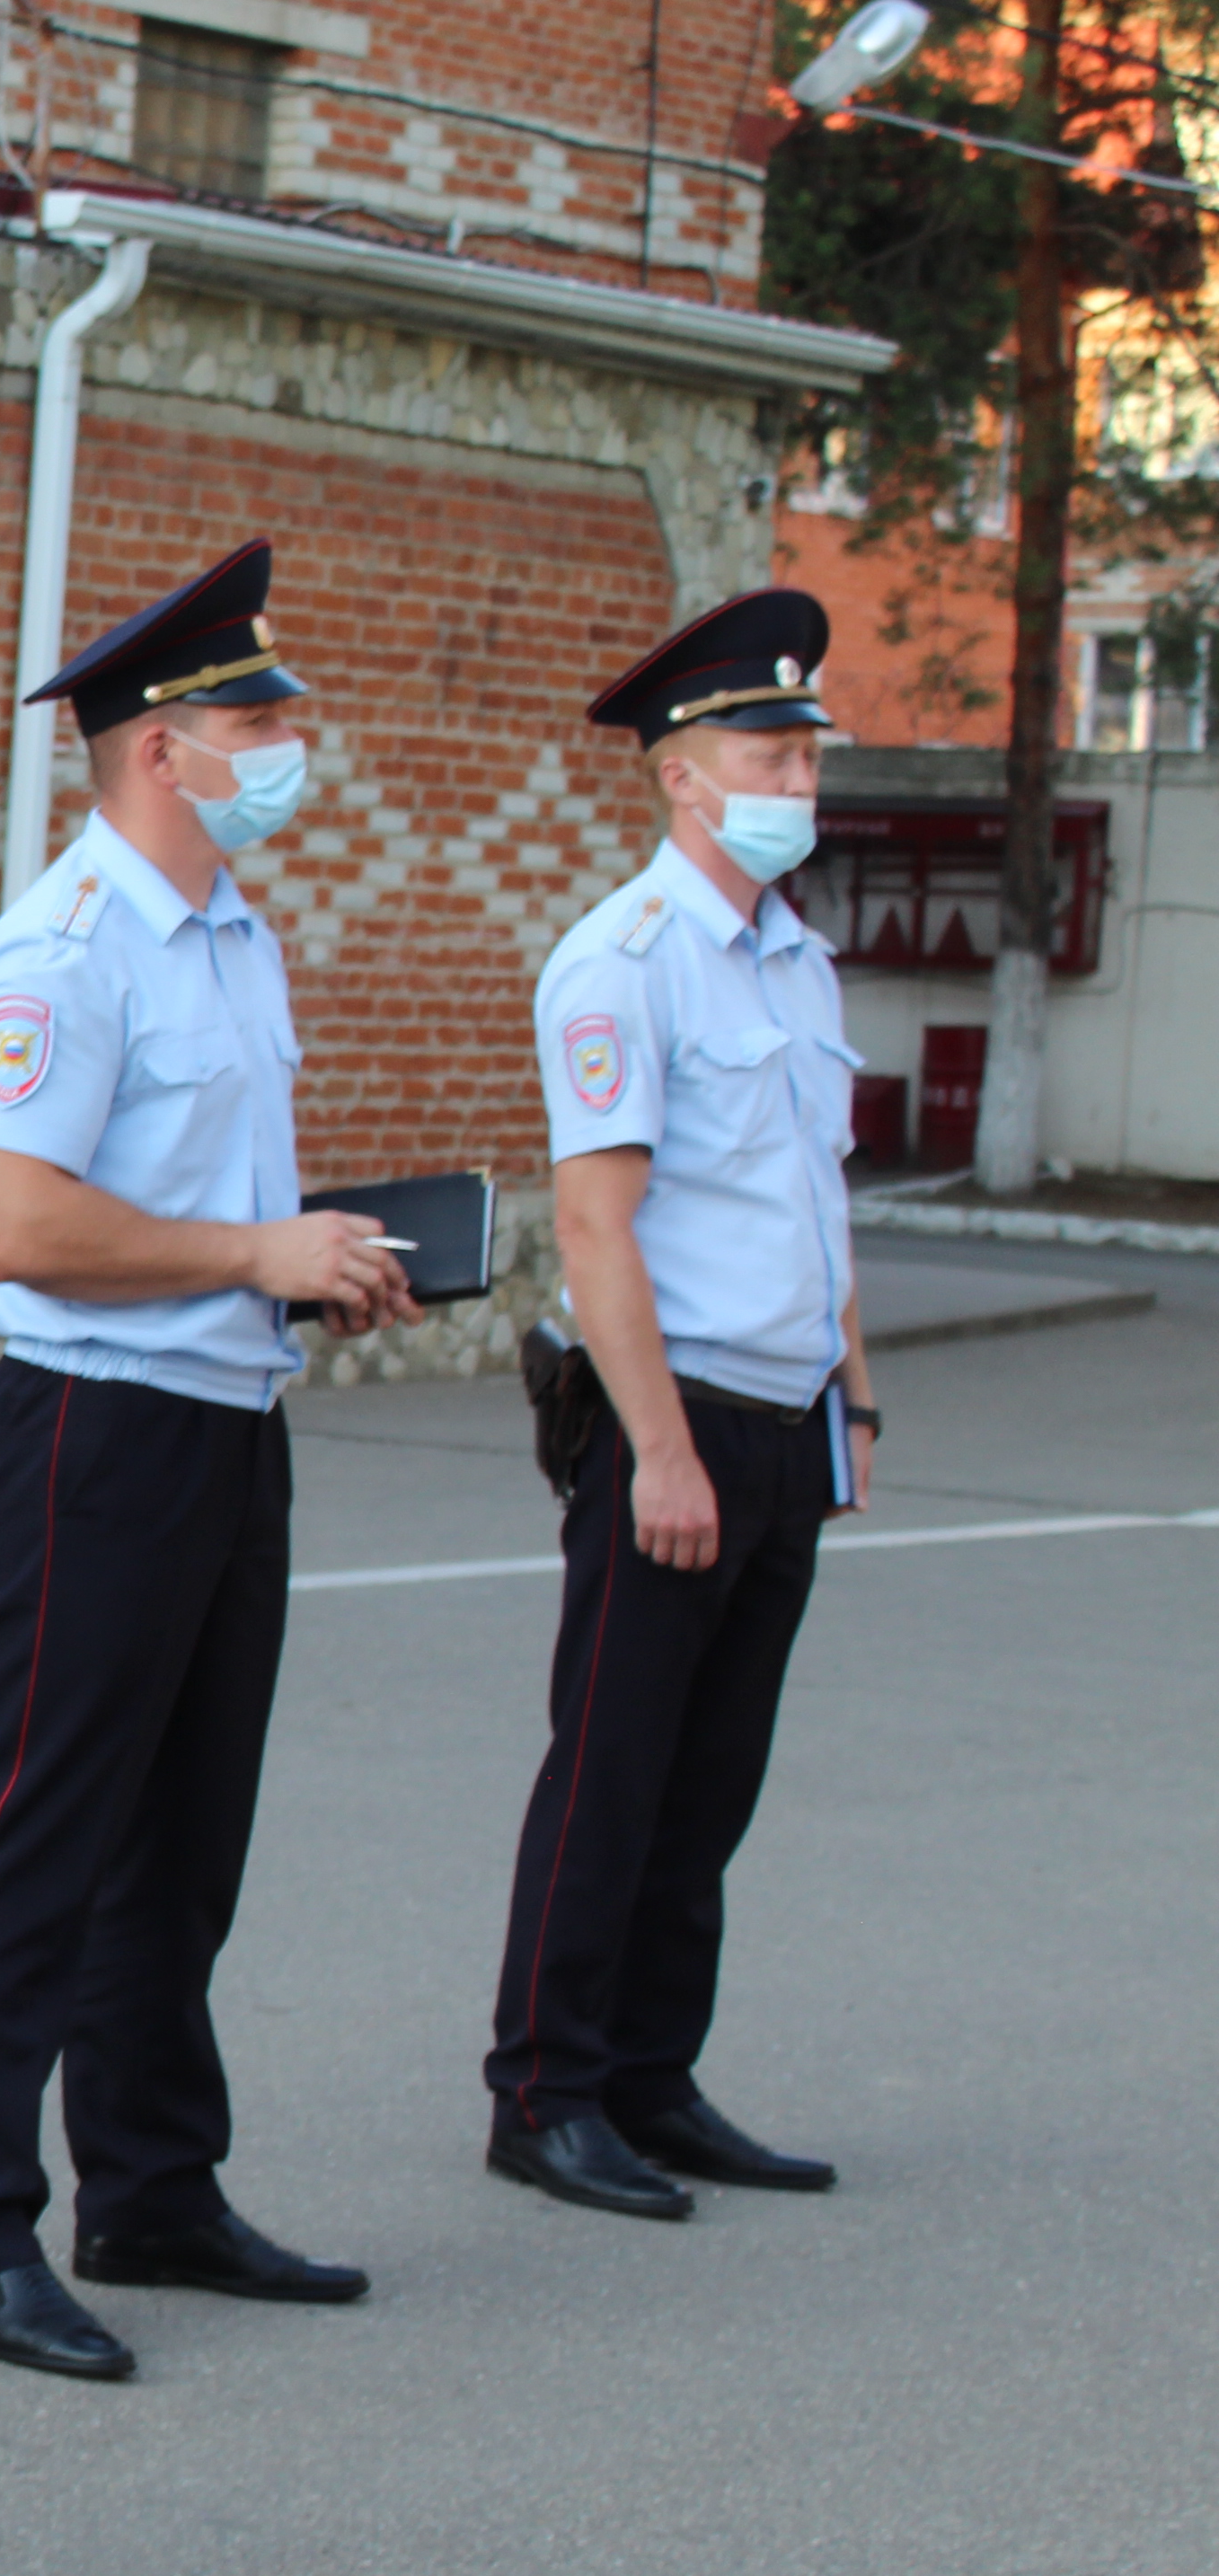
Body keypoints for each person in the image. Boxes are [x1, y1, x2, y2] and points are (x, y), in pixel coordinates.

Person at [0, 541, 417, 2383]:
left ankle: (156, 2186)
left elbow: (202, 1205)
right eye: (255, 717)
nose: (291, 741)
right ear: (156, 753)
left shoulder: (234, 935)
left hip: (222, 1421)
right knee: (37, 1832)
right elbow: (13, 1225)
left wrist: (313, 1258)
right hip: (94, 1432)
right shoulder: (59, 948)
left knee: (186, 1840)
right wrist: (252, 1255)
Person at [478, 590, 871, 2220]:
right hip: (676, 1417)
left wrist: (848, 1387)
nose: (795, 771)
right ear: (678, 778)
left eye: (802, 745)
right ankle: (546, 2088)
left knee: (710, 1778)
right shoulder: (619, 963)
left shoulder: (793, 961)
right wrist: (653, 1449)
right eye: (764, 747)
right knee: (613, 1764)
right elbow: (592, 1226)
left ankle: (651, 2073)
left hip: (782, 1418)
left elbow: (813, 1197)